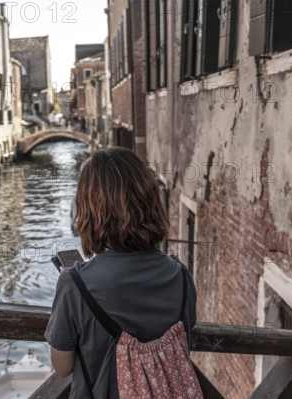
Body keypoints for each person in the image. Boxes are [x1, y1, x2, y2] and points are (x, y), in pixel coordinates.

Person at [45, 147, 197, 398]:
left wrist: (72, 285)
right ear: (150, 201)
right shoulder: (182, 276)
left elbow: (62, 367)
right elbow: (186, 344)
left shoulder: (74, 284)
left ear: (91, 210)